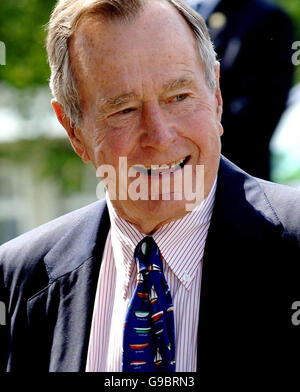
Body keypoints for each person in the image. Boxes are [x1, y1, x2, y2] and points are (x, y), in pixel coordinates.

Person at [0, 0, 299, 378]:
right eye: (124, 110)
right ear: (73, 131)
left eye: (179, 97)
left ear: (216, 97)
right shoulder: (17, 281)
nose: (159, 136)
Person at [186, 0, 294, 180]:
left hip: (237, 175)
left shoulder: (268, 18)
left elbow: (263, 108)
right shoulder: (170, 12)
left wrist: (193, 136)